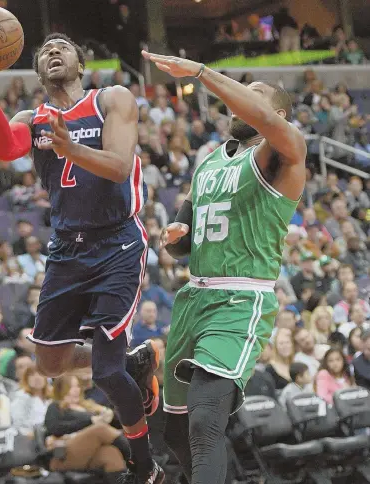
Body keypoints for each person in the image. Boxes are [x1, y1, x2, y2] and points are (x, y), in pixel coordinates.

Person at [0, 31, 163, 483]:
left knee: (106, 372)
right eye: (45, 50)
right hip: (67, 248)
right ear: (36, 70)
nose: (53, 51)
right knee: (48, 365)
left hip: (117, 243)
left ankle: (146, 466)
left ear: (80, 62)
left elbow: (118, 165)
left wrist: (70, 148)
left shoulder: (112, 98)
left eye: (63, 46)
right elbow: (3, 148)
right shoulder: (33, 119)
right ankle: (135, 362)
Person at [141, 49, 306, 484]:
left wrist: (201, 72)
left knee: (205, 420)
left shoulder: (284, 152)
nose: (239, 101)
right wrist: (175, 236)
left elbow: (259, 116)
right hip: (194, 295)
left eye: (253, 94)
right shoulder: (210, 161)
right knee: (174, 428)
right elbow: (188, 232)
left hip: (240, 297)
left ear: (279, 113)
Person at [45, 376, 129, 483]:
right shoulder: (55, 406)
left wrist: (110, 415)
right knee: (100, 429)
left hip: (89, 451)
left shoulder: (88, 405)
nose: (76, 390)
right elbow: (53, 428)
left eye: (77, 386)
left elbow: (118, 423)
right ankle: (138, 454)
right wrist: (91, 421)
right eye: (70, 387)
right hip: (62, 454)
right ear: (61, 389)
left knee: (111, 454)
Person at [11, 364, 52, 433]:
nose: (37, 378)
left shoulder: (51, 397)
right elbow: (18, 423)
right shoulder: (21, 397)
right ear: (26, 379)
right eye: (32, 375)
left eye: (40, 374)